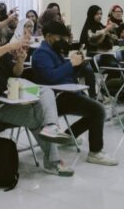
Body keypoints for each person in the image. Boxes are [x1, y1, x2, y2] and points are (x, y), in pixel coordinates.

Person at [0, 22, 74, 176]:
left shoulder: (1, 54)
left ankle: (52, 127)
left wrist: (19, 60)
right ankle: (52, 161)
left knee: (45, 91)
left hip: (13, 99)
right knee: (38, 118)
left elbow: (16, 73)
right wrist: (11, 46)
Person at [31, 21, 118, 166]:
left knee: (94, 111)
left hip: (66, 93)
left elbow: (64, 74)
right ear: (49, 37)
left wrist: (77, 66)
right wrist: (71, 64)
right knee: (98, 110)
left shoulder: (53, 51)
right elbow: (51, 77)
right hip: (53, 99)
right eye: (60, 38)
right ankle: (95, 152)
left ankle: (69, 136)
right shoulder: (41, 54)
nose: (64, 41)